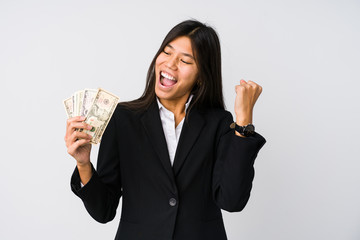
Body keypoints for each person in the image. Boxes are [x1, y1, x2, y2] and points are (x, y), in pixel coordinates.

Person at [65, 19, 266, 240]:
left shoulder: (218, 123)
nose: (170, 64)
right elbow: (103, 211)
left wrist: (244, 122)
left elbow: (232, 200)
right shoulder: (123, 119)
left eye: (185, 60)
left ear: (201, 77)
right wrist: (83, 164)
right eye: (167, 52)